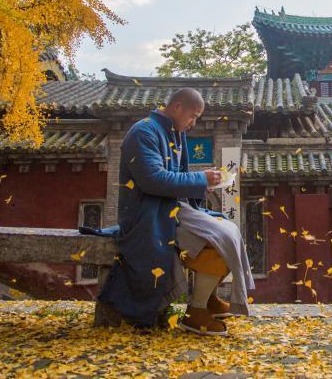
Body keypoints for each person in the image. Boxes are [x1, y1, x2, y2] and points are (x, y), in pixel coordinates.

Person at [95, 87, 255, 335]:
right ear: (177, 107)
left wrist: (204, 180)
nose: (193, 123)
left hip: (171, 207)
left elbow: (178, 178)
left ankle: (205, 299)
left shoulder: (173, 133)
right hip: (149, 213)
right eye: (193, 116)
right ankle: (196, 313)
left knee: (229, 229)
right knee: (221, 237)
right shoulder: (144, 131)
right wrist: (200, 179)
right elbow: (152, 180)